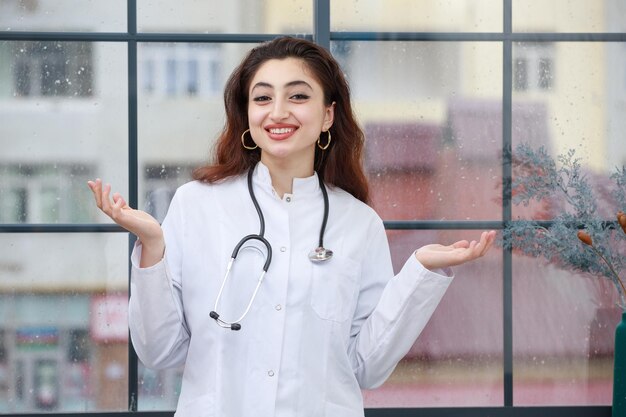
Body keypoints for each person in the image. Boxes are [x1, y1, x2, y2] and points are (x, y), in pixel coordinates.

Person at [88, 37, 496, 417]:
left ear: (327, 116)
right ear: (247, 115)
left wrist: (421, 270)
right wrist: (152, 246)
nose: (278, 111)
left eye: (298, 96)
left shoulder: (358, 223)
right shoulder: (197, 204)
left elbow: (366, 367)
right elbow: (159, 351)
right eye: (262, 97)